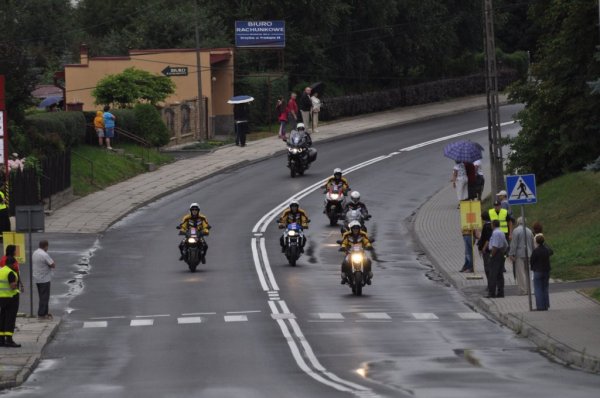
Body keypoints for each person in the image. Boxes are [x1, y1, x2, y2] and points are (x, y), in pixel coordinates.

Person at [508, 217, 534, 295]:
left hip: (519, 254)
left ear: (518, 222)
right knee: (528, 272)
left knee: (520, 273)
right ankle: (530, 290)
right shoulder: (529, 231)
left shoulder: (516, 231)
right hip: (529, 253)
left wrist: (511, 254)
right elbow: (532, 244)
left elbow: (514, 243)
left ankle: (523, 290)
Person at [0, 257, 21, 347]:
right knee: (10, 318)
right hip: (10, 297)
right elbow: (12, 286)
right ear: (12, 264)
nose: (16, 265)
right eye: (15, 263)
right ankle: (9, 339)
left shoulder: (1, 270)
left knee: (2, 318)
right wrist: (16, 285)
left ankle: (1, 340)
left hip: (1, 297)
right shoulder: (10, 272)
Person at [32, 240, 56, 320]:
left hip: (37, 278)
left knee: (42, 296)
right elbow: (52, 265)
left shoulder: (35, 253)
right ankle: (41, 314)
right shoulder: (44, 254)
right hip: (44, 279)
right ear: (45, 246)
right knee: (44, 297)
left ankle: (45, 312)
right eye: (47, 246)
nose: (47, 248)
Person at [487, 219, 508, 298]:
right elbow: (506, 245)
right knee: (500, 274)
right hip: (501, 254)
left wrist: (491, 255)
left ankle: (492, 293)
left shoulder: (495, 233)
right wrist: (502, 252)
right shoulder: (502, 232)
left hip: (495, 254)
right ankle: (501, 292)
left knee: (492, 274)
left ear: (493, 225)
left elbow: (495, 246)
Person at [530, 233, 551, 310]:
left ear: (536, 242)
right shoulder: (546, 250)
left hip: (538, 271)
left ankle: (540, 306)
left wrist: (533, 268)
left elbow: (532, 261)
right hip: (546, 271)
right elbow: (551, 252)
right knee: (545, 288)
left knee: (538, 289)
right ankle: (546, 305)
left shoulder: (536, 251)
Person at [477, 211, 493, 286]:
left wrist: (483, 248)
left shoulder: (486, 227)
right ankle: (490, 283)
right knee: (489, 267)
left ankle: (490, 284)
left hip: (487, 250)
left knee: (487, 267)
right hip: (490, 249)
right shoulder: (491, 225)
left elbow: (487, 239)